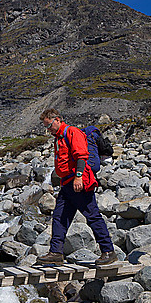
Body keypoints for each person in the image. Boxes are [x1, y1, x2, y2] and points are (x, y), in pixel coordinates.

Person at [37, 109, 118, 265]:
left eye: (49, 126)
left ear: (58, 120)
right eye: (46, 127)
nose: (48, 130)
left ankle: (108, 251)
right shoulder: (58, 137)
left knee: (92, 216)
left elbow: (81, 155)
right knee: (60, 217)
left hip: (78, 183)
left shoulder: (72, 132)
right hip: (67, 184)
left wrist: (78, 176)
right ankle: (56, 252)